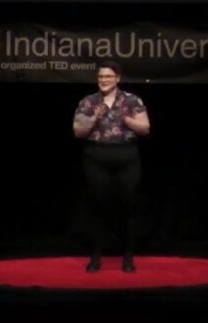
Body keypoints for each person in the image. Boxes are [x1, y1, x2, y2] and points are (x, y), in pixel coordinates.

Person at [72, 60, 151, 273]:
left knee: (129, 206)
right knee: (98, 206)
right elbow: (78, 132)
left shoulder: (132, 100)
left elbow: (145, 128)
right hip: (96, 157)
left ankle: (128, 256)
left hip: (126, 157)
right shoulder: (88, 102)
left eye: (108, 76)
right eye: (100, 77)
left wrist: (127, 120)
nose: (104, 80)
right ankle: (96, 256)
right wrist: (94, 118)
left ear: (117, 78)